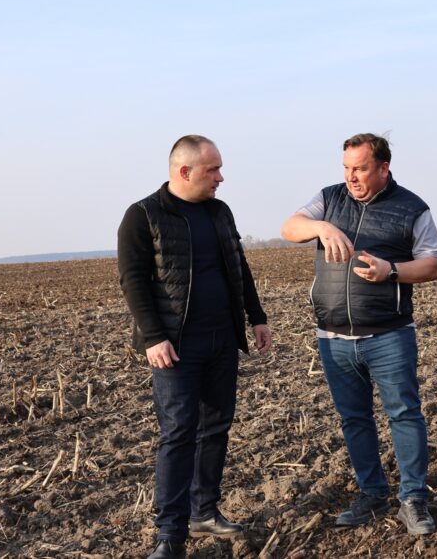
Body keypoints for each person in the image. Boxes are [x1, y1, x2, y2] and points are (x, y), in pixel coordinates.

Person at [118, 135, 272, 559]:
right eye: (213, 169)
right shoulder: (143, 215)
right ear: (185, 172)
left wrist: (256, 317)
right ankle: (170, 534)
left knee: (216, 427)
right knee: (179, 432)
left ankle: (204, 511)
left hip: (222, 338)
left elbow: (238, 266)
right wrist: (153, 337)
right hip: (175, 346)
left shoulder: (219, 212)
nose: (221, 177)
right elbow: (132, 280)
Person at [281, 133, 437, 536]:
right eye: (347, 168)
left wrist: (392, 271)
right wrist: (321, 227)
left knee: (404, 415)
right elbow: (289, 227)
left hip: (389, 335)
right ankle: (372, 494)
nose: (351, 177)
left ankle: (413, 499)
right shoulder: (329, 199)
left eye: (361, 169)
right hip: (333, 337)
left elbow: (431, 265)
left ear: (384, 168)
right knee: (354, 419)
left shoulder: (413, 208)